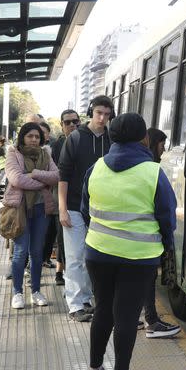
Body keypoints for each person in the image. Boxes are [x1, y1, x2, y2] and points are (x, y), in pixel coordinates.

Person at [80, 113, 176, 370]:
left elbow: (86, 210)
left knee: (103, 310)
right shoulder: (152, 172)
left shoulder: (96, 168)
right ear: (144, 138)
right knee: (125, 316)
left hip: (98, 253)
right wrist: (166, 245)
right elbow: (167, 217)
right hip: (138, 257)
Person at [58, 96, 114, 322]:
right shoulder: (75, 138)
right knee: (74, 256)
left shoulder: (112, 140)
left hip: (101, 209)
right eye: (99, 113)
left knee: (93, 257)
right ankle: (75, 305)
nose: (102, 118)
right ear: (91, 111)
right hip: (73, 206)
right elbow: (63, 176)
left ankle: (86, 299)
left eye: (107, 114)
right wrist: (62, 209)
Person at [2, 122, 59, 309]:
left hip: (42, 209)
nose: (34, 140)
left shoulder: (46, 154)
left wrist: (34, 174)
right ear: (23, 137)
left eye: (37, 136)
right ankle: (17, 292)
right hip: (20, 209)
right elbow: (16, 179)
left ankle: (35, 291)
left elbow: (56, 175)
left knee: (36, 252)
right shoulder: (13, 154)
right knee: (20, 252)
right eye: (30, 136)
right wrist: (43, 182)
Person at [138, 127, 181, 338]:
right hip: (147, 237)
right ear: (152, 144)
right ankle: (151, 321)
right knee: (147, 279)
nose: (164, 151)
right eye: (162, 146)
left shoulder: (105, 166)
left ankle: (139, 318)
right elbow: (166, 208)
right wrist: (167, 237)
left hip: (118, 241)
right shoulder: (152, 170)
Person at [49, 109, 80, 286]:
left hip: (81, 200)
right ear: (61, 126)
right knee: (62, 238)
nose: (72, 125)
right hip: (60, 200)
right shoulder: (57, 146)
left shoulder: (85, 141)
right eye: (67, 122)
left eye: (75, 122)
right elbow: (53, 174)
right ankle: (60, 272)